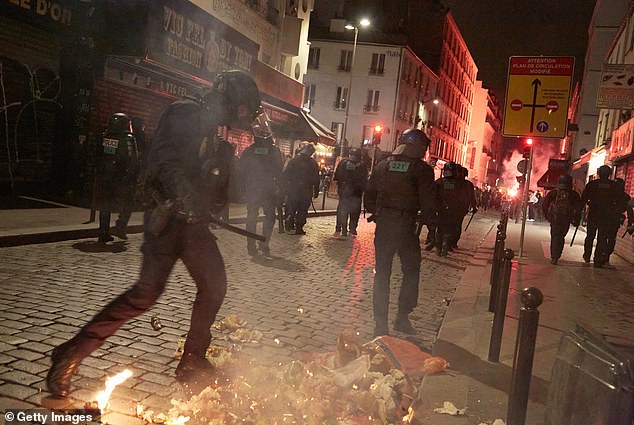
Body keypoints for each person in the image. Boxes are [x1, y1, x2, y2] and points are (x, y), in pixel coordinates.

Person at [46, 70, 268, 398]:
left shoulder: (215, 131)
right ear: (231, 102)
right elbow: (164, 162)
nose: (243, 118)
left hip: (192, 226)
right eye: (243, 110)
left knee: (214, 284)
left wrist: (218, 178)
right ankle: (70, 353)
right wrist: (187, 195)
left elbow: (213, 186)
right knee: (144, 295)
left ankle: (192, 358)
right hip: (165, 221)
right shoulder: (185, 113)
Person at [364, 129, 435, 337]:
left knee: (382, 274)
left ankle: (380, 324)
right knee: (411, 271)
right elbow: (428, 202)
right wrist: (431, 225)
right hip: (406, 226)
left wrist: (377, 213)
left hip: (384, 225)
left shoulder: (382, 165)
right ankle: (402, 317)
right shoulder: (422, 170)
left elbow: (369, 193)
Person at [96, 113, 139, 242]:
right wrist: (132, 174)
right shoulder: (128, 138)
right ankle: (120, 226)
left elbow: (99, 155)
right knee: (130, 202)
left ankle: (103, 232)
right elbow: (132, 158)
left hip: (105, 176)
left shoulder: (105, 136)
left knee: (105, 205)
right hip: (122, 176)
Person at [239, 134, 283, 255]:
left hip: (253, 189)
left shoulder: (249, 150)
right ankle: (264, 243)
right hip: (268, 190)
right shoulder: (274, 151)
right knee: (269, 217)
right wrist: (280, 189)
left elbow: (241, 171)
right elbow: (279, 172)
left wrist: (243, 188)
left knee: (252, 217)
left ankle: (251, 245)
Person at [581, 165, 620, 267]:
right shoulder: (613, 186)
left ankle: (587, 255)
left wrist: (579, 211)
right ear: (609, 174)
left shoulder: (592, 184)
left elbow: (584, 198)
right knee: (602, 238)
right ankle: (598, 259)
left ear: (598, 173)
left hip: (593, 214)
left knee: (590, 236)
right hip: (606, 216)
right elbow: (618, 201)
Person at [541, 174, 582, 265]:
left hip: (555, 218)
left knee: (555, 236)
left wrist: (548, 216)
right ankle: (558, 254)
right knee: (561, 236)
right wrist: (576, 219)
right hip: (566, 218)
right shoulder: (573, 194)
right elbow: (578, 208)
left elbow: (544, 205)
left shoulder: (554, 192)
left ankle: (554, 257)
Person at [282, 142, 320, 235]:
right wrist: (316, 190)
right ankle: (299, 227)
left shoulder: (294, 160)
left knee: (292, 206)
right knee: (302, 210)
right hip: (306, 190)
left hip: (293, 189)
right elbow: (316, 178)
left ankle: (289, 220)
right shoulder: (313, 163)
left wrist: (285, 188)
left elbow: (286, 175)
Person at [333, 147, 367, 236]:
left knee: (342, 210)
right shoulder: (362, 165)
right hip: (356, 193)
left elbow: (336, 176)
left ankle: (339, 227)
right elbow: (364, 180)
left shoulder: (343, 163)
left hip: (344, 191)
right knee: (355, 211)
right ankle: (352, 228)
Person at [434, 162, 464, 257]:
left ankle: (440, 247)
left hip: (446, 209)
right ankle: (442, 247)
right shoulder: (458, 184)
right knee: (446, 229)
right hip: (448, 210)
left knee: (442, 229)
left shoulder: (440, 182)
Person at [605, 177, 633, 265]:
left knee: (607, 237)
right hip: (611, 219)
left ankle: (605, 255)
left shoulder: (610, 195)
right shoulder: (611, 195)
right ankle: (605, 255)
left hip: (612, 219)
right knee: (609, 238)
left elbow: (629, 207)